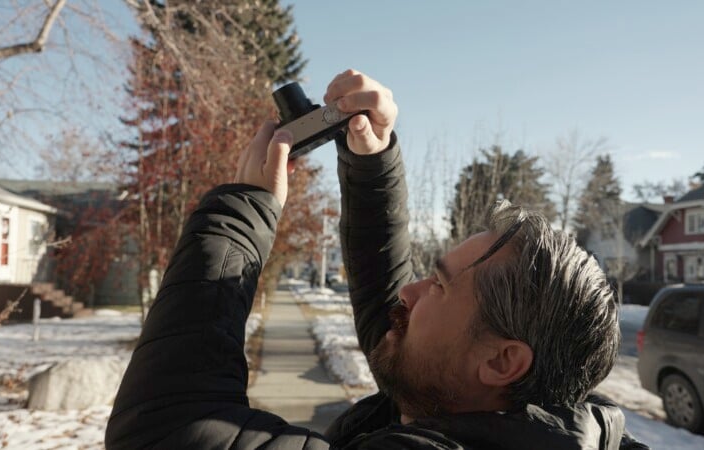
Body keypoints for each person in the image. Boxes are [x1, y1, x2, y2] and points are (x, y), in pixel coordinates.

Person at [105, 70, 647, 449]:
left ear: (503, 362)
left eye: (438, 285)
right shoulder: (483, 410)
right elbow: (395, 324)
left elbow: (164, 427)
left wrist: (242, 211)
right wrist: (372, 161)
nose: (408, 292)